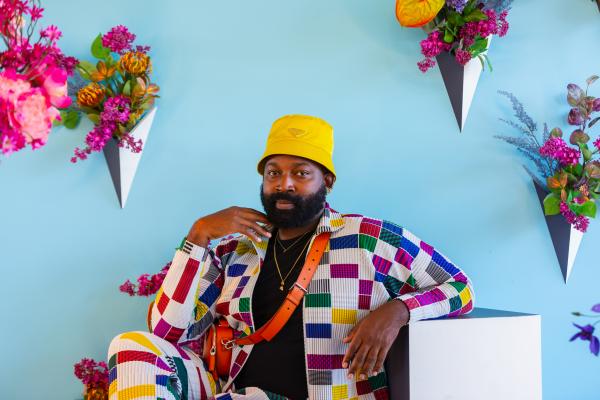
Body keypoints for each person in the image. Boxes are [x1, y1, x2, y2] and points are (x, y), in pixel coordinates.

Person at [107, 114, 475, 400]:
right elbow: (167, 330)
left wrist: (396, 312)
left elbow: (460, 287)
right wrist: (198, 235)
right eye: (273, 173)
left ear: (326, 182)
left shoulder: (368, 238)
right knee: (130, 345)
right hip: (242, 392)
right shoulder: (237, 250)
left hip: (331, 393)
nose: (284, 184)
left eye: (301, 173)